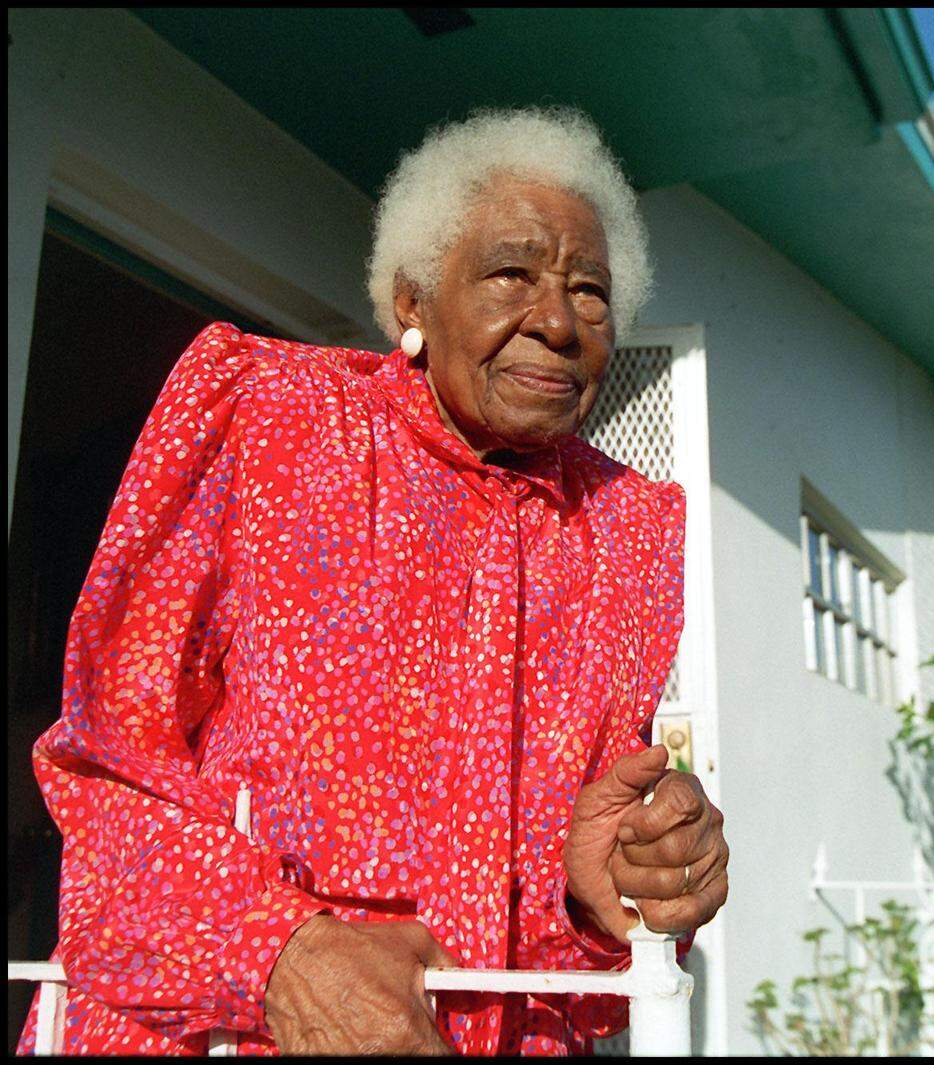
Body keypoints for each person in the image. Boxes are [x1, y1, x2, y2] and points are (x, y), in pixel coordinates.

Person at [18, 107, 729, 1056]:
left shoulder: (627, 531)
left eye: (590, 291)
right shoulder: (267, 417)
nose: (558, 322)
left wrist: (604, 889)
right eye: (512, 273)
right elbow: (109, 769)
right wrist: (281, 956)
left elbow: (581, 940)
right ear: (411, 303)